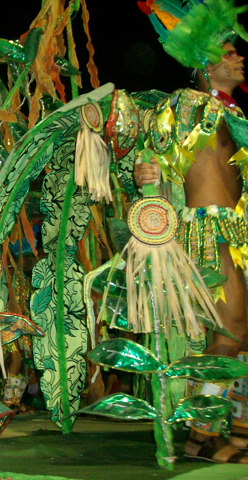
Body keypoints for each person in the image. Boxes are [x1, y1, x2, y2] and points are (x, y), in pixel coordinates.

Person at [135, 0, 248, 464]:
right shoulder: (187, 105)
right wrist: (145, 171)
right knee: (230, 329)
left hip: (236, 234)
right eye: (228, 53)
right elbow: (155, 153)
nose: (239, 58)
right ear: (205, 63)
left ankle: (229, 429)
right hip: (207, 230)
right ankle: (203, 435)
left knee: (240, 334)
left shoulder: (235, 114)